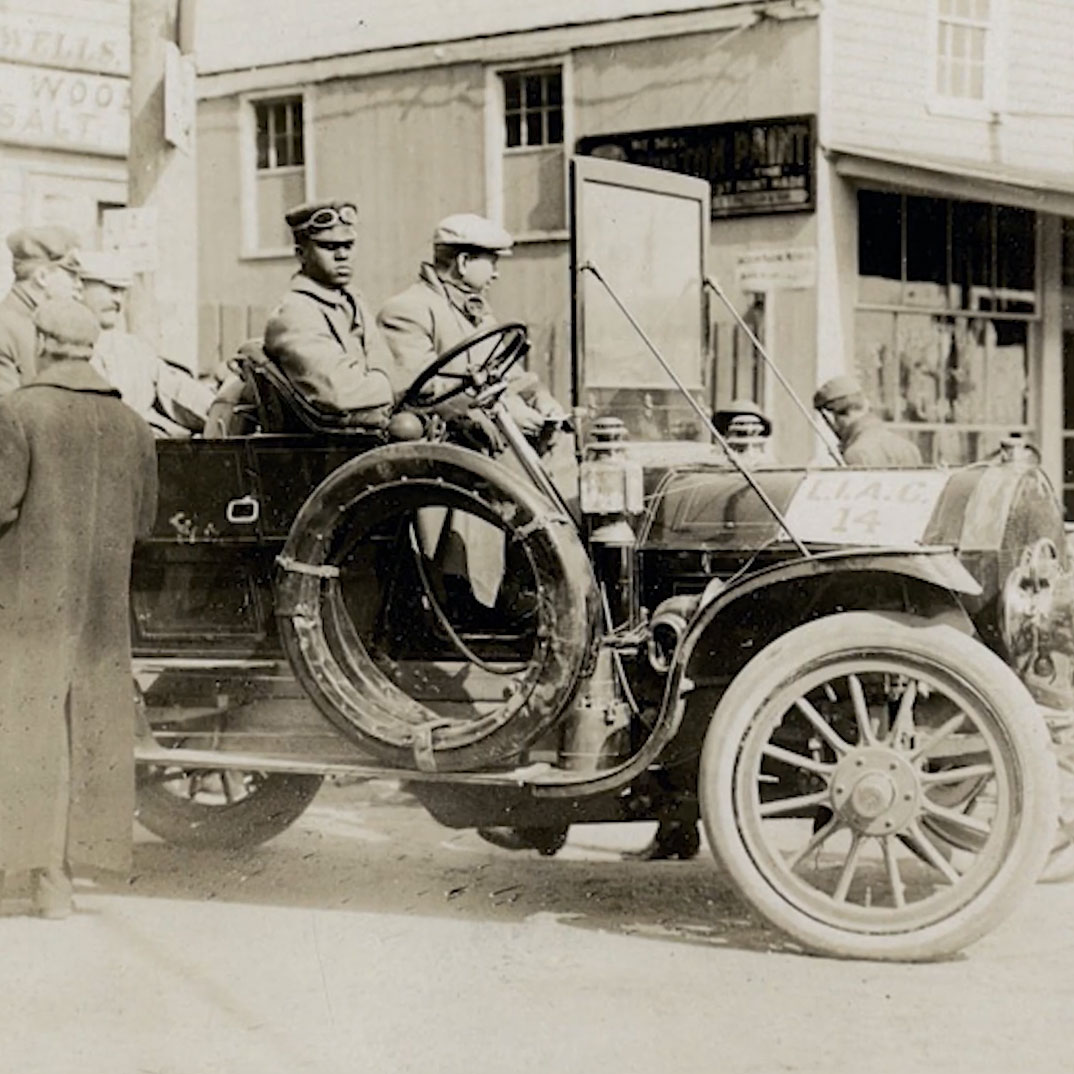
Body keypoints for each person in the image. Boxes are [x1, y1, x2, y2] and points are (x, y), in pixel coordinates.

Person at [0, 298, 158, 918]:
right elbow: (144, 520)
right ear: (91, 347)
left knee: (27, 723)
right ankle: (76, 865)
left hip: (26, 597)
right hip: (100, 600)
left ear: (40, 339)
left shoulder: (18, 411)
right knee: (93, 721)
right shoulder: (131, 424)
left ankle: (36, 874)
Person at [263, 198, 394, 422]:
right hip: (337, 440)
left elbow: (386, 361)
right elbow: (339, 392)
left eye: (348, 245)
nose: (342, 255)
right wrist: (391, 384)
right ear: (301, 254)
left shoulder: (354, 300)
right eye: (329, 247)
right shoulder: (294, 314)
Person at [81, 250, 215, 437]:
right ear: (79, 287)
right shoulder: (60, 347)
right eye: (111, 289)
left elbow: (175, 389)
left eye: (122, 292)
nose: (118, 299)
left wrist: (219, 410)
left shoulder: (131, 347)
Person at [0, 225, 83, 395]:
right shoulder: (5, 329)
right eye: (72, 275)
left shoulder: (39, 323)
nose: (79, 286)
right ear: (42, 277)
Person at [813, 375, 922, 466]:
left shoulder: (856, 453)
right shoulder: (908, 448)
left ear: (834, 416)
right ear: (865, 405)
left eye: (827, 420)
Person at [714, 398, 773, 467]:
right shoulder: (717, 458)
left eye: (754, 424)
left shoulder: (766, 460)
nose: (748, 429)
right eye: (740, 424)